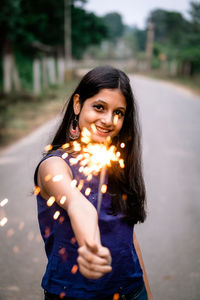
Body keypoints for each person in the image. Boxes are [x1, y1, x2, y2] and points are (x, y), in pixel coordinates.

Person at [34, 65, 153, 300]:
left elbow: (128, 237)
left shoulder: (115, 163)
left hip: (132, 290)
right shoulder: (55, 165)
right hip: (74, 294)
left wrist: (146, 293)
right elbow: (79, 206)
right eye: (99, 107)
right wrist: (91, 248)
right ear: (78, 104)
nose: (108, 120)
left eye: (118, 113)